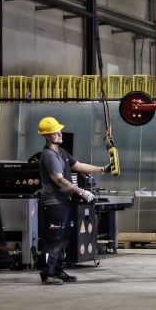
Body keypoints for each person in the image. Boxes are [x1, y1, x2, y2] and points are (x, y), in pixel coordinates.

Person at [37, 116, 111, 285]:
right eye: (54, 132)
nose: (59, 134)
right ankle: (47, 273)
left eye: (59, 130)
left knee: (63, 239)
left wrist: (103, 169)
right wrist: (81, 191)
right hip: (54, 204)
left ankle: (58, 270)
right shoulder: (49, 156)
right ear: (47, 136)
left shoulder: (61, 153)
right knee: (54, 239)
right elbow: (59, 180)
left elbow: (79, 166)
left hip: (63, 202)